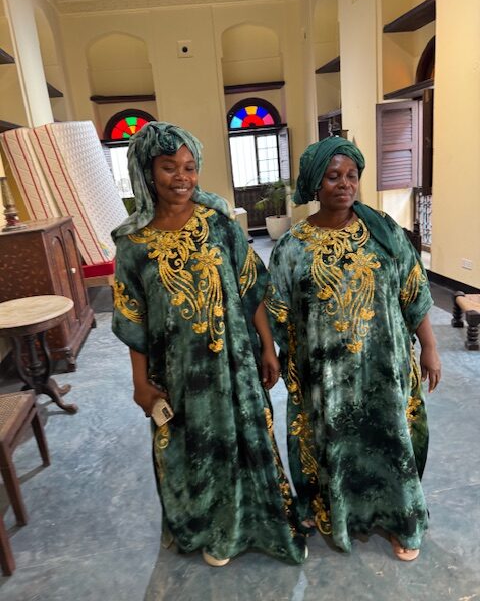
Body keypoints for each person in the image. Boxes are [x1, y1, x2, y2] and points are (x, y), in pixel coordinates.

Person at [111, 121, 306, 567]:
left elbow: (250, 288)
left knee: (244, 440)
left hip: (234, 364)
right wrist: (140, 384)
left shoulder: (218, 222)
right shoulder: (132, 243)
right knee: (191, 448)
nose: (182, 177)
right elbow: (133, 319)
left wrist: (267, 347)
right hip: (177, 372)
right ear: (147, 171)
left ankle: (252, 523)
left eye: (190, 166)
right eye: (169, 167)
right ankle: (206, 526)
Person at [266, 136, 441, 561]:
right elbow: (278, 314)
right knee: (334, 445)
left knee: (391, 443)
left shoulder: (385, 233)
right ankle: (335, 511)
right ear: (315, 183)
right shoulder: (292, 247)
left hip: (383, 371)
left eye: (351, 175)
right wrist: (279, 360)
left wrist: (430, 347)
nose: (344, 184)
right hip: (327, 380)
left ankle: (401, 520)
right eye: (333, 176)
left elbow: (413, 292)